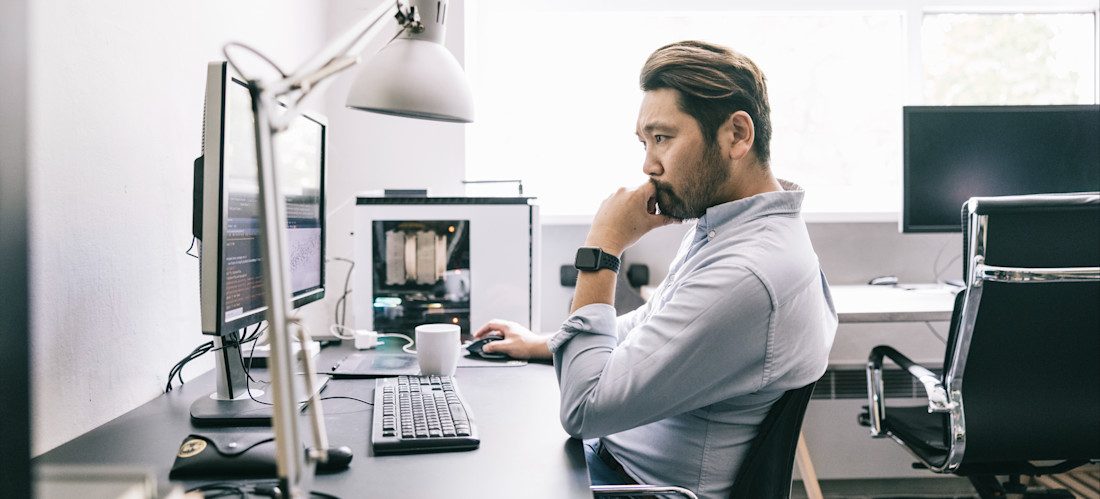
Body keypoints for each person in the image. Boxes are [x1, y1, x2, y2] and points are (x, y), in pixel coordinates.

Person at [473, 40, 837, 499]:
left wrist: (603, 248)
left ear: (737, 136)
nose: (648, 164)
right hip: (611, 466)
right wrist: (544, 343)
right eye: (645, 143)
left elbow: (583, 410)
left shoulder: (749, 272)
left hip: (636, 490)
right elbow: (652, 325)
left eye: (662, 138)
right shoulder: (732, 229)